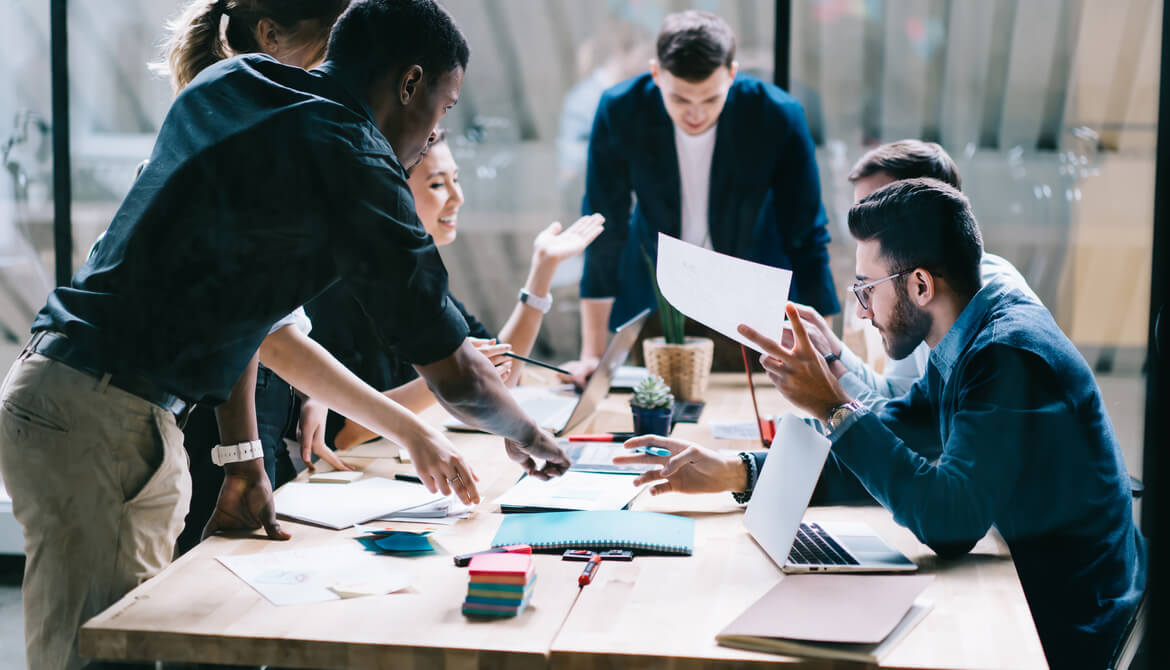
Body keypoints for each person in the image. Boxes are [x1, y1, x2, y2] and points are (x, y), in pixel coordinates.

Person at [0, 1, 568, 668]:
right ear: (410, 83)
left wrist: (243, 459)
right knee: (91, 656)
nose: (435, 133)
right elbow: (457, 373)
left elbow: (239, 307)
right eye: (443, 110)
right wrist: (532, 439)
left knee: (120, 648)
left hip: (83, 397)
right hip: (103, 414)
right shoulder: (350, 153)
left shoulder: (232, 83)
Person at [617, 179, 1146, 669]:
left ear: (919, 285)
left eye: (867, 288)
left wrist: (833, 406)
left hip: (1062, 626)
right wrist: (738, 471)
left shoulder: (1005, 353)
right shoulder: (969, 335)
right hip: (1030, 585)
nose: (863, 310)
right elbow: (894, 433)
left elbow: (950, 522)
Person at [154, 0, 355, 557]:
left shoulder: (233, 128)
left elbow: (251, 318)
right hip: (157, 414)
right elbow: (261, 330)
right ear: (269, 34)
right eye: (331, 49)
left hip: (185, 415)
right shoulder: (241, 144)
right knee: (128, 626)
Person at [565, 10, 838, 380]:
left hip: (750, 299)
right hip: (657, 298)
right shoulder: (621, 110)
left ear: (732, 74)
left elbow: (806, 236)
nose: (695, 114)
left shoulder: (776, 114)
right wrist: (592, 354)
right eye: (680, 99)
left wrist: (831, 359)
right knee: (655, 415)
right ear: (656, 73)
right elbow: (603, 230)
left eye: (710, 100)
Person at [304, 130, 604, 450]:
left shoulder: (417, 279)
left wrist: (543, 269)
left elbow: (499, 373)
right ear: (388, 194)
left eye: (456, 180)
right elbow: (343, 433)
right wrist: (446, 380)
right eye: (436, 184)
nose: (457, 197)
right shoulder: (339, 289)